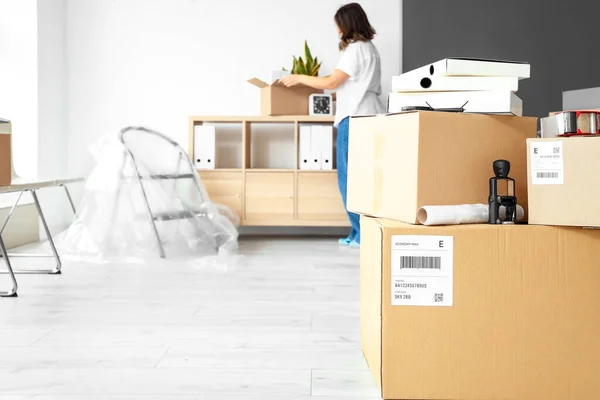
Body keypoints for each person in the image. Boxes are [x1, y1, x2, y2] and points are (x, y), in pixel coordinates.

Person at [281, 2, 384, 247]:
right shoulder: (370, 49)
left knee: (348, 179)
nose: (337, 30)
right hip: (370, 117)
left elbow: (331, 83)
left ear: (346, 24)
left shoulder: (355, 49)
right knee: (363, 178)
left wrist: (298, 78)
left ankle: (361, 234)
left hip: (355, 118)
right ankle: (358, 232)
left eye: (339, 25)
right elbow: (353, 86)